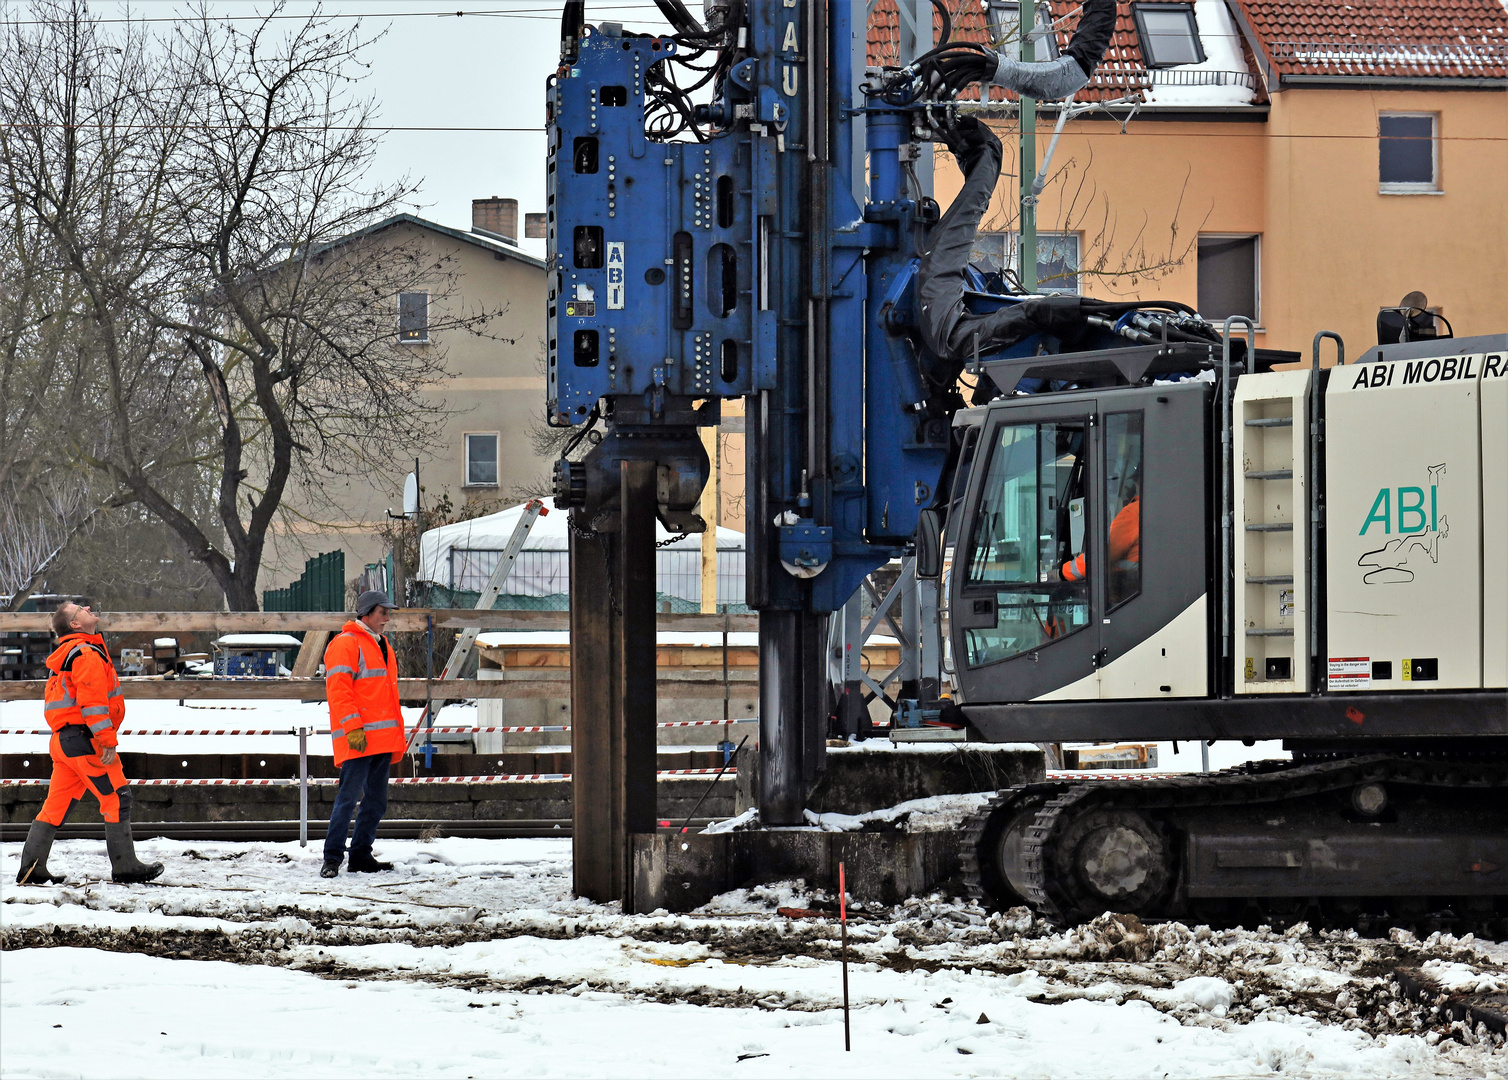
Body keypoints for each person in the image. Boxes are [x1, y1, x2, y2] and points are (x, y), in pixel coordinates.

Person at [15, 601, 164, 885]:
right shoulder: (86, 654)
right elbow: (93, 704)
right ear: (75, 624)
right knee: (117, 797)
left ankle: (31, 870)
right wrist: (106, 741)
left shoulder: (66, 656)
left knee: (55, 807)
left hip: (65, 742)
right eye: (78, 608)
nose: (86, 607)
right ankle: (126, 867)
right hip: (87, 741)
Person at [320, 590, 407, 877]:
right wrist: (353, 727)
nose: (387, 618)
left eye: (388, 613)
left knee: (375, 801)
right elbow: (339, 692)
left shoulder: (382, 646)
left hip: (381, 739)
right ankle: (332, 858)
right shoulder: (346, 644)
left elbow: (384, 696)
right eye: (383, 612)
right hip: (359, 738)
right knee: (348, 799)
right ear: (367, 613)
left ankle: (359, 855)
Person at [1062, 476, 1141, 584]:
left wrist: (1063, 573)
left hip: (1126, 590)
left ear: (1138, 484)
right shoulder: (1156, 511)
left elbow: (1102, 556)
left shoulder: (1133, 512)